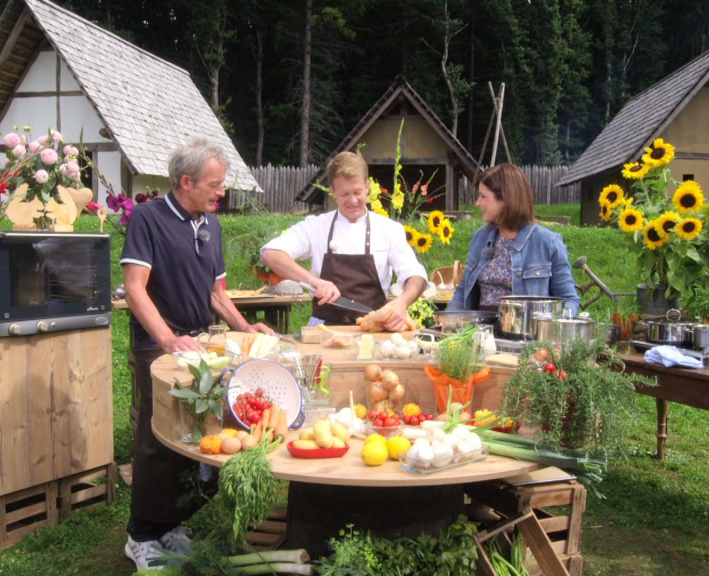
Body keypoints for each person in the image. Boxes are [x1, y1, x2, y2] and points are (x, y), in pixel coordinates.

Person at [119, 139, 274, 571]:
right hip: (159, 346)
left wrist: (246, 328)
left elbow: (215, 293)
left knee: (197, 437)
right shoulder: (148, 218)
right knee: (157, 440)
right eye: (214, 184)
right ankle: (142, 534)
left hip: (201, 345)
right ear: (186, 182)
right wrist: (168, 340)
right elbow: (135, 289)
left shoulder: (211, 224)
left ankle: (172, 522)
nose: (221, 192)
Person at [261, 151, 428, 330]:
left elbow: (415, 275)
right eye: (345, 194)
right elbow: (270, 254)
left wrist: (402, 302)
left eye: (357, 192)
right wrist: (314, 281)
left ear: (367, 187)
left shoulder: (388, 229)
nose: (353, 200)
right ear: (333, 192)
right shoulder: (316, 226)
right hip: (323, 330)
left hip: (374, 328)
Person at [448, 163, 579, 314]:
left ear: (505, 199)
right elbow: (463, 290)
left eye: (483, 196)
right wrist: (448, 321)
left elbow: (570, 300)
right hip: (481, 333)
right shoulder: (480, 238)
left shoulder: (547, 243)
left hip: (526, 333)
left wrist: (555, 327)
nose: (477, 203)